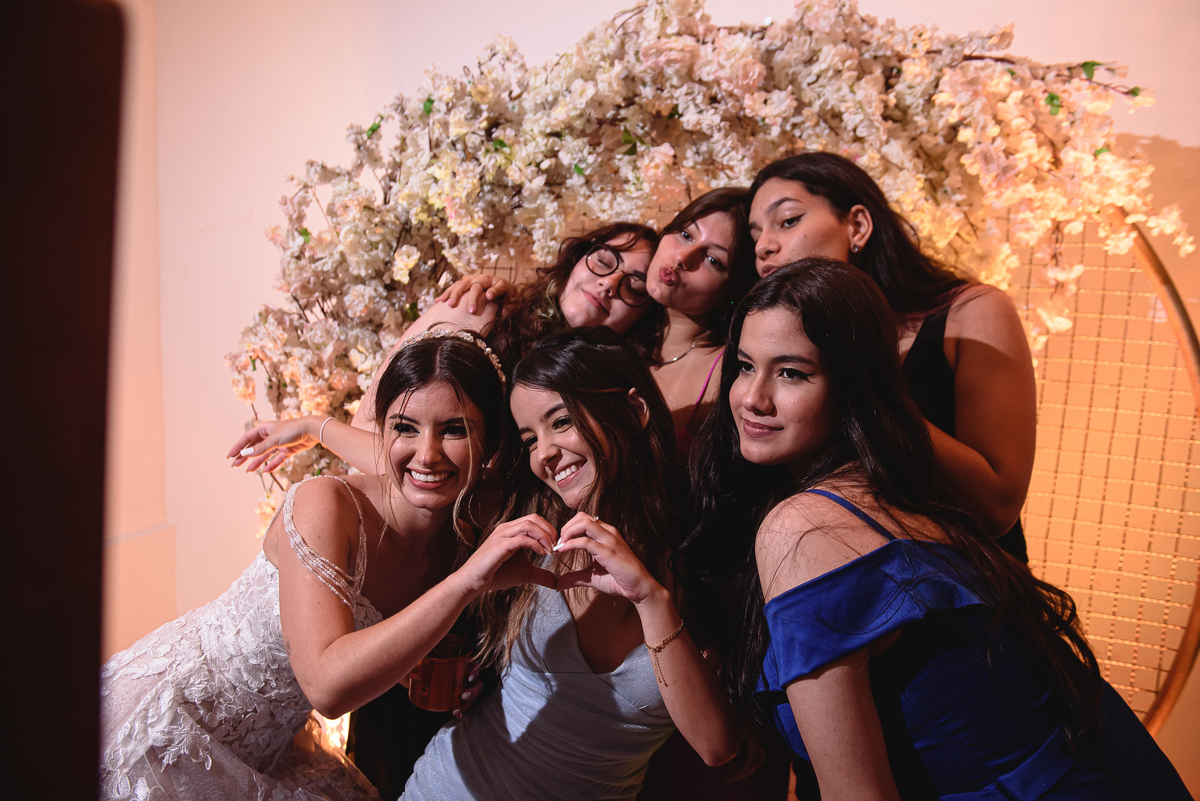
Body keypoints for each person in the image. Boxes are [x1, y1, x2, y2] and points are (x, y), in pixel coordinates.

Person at [684, 258, 1191, 800]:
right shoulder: (905, 487)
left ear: (855, 386)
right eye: (744, 366)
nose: (752, 398)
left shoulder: (804, 528)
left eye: (791, 373)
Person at [102, 330, 556, 801]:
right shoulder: (323, 504)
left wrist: (414, 667)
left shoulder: (468, 526)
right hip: (170, 729)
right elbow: (326, 688)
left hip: (271, 749)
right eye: (404, 427)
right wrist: (465, 584)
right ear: (384, 434)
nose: (427, 454)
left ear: (491, 446)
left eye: (454, 430)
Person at [402, 327, 746, 800]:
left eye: (560, 422)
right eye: (529, 439)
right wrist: (315, 427)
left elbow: (717, 746)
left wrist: (650, 599)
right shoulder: (534, 526)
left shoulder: (700, 558)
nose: (543, 453)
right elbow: (416, 479)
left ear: (634, 410)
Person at [748, 152, 1035, 560]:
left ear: (857, 225)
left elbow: (998, 507)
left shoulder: (971, 312)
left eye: (788, 220)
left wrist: (868, 384)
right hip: (824, 572)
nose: (764, 246)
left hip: (954, 582)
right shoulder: (779, 336)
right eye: (755, 234)